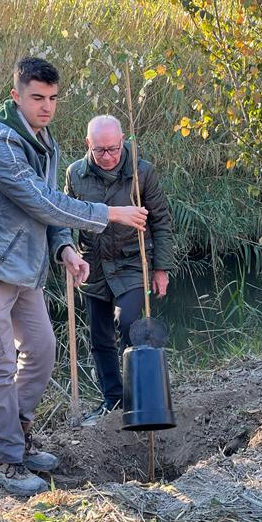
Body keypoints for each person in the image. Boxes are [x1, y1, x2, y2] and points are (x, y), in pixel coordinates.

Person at [0, 58, 148, 496]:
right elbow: (42, 201)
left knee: (40, 350)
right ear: (16, 95)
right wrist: (110, 213)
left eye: (53, 98)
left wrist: (66, 248)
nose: (46, 107)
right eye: (37, 97)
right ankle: (5, 462)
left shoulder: (45, 143)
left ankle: (18, 439)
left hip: (24, 267)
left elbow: (49, 210)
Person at [64, 115, 175, 426]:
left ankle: (142, 396)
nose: (109, 157)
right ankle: (112, 400)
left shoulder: (142, 172)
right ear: (88, 145)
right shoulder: (76, 174)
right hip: (94, 264)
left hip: (133, 261)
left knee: (128, 322)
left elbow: (162, 222)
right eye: (100, 151)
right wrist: (69, 253)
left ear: (123, 140)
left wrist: (162, 267)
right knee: (99, 336)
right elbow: (66, 219)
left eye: (114, 149)